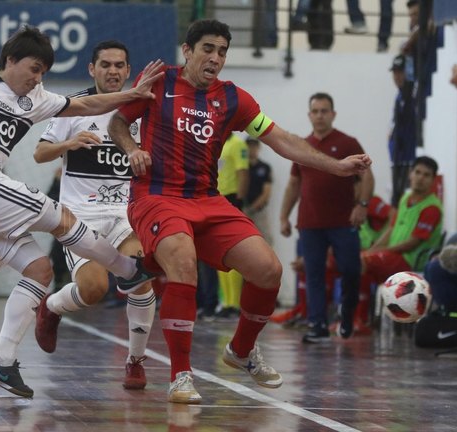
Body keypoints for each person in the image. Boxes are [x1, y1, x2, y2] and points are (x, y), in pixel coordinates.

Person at [107, 19, 371, 404]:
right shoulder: (160, 82)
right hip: (157, 196)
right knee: (182, 259)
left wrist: (337, 166)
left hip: (208, 200)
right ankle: (181, 375)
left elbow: (280, 139)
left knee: (269, 270)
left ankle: (241, 350)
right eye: (208, 49)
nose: (215, 57)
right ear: (188, 51)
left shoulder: (233, 99)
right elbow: (117, 122)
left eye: (222, 51)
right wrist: (132, 148)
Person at [0, 27, 163, 398]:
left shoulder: (36, 98)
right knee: (60, 216)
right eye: (33, 68)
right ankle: (129, 270)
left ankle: (1, 361)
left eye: (43, 72)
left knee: (39, 271)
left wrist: (133, 95)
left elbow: (86, 105)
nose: (37, 78)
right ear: (9, 60)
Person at [33, 40, 156, 390]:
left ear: (128, 71)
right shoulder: (75, 107)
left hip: (125, 214)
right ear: (92, 69)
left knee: (140, 277)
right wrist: (67, 145)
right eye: (105, 65)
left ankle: (135, 361)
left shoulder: (140, 110)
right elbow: (40, 154)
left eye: (119, 65)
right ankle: (53, 307)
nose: (113, 71)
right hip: (81, 216)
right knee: (93, 289)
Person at [280, 92, 374, 344]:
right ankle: (318, 325)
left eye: (324, 111)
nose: (320, 115)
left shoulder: (348, 143)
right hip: (310, 223)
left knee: (351, 270)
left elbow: (366, 176)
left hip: (344, 222)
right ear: (309, 115)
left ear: (333, 114)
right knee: (313, 274)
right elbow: (293, 184)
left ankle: (346, 315)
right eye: (315, 111)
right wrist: (283, 217)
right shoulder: (302, 146)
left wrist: (362, 205)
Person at [361, 156, 443, 296]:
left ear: (433, 180)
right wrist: (373, 250)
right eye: (417, 172)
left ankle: (360, 317)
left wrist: (382, 250)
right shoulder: (405, 198)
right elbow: (391, 229)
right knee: (358, 260)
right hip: (393, 255)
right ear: (410, 173)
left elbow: (413, 243)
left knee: (360, 262)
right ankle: (366, 314)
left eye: (426, 175)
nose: (420, 178)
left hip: (409, 260)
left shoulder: (432, 208)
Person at [215, 133, 249, 319]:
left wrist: (239, 202)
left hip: (232, 199)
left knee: (234, 253)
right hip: (216, 199)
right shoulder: (218, 142)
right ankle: (226, 302)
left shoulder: (237, 144)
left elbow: (242, 172)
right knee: (219, 254)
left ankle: (235, 303)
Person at [388, 54, 417, 208]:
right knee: (396, 203)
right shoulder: (400, 96)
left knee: (404, 203)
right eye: (395, 72)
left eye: (401, 72)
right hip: (397, 159)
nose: (397, 76)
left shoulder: (411, 94)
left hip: (408, 160)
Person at [245, 137, 273, 245]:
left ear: (258, 147)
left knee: (266, 240)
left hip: (259, 211)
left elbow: (267, 192)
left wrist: (252, 208)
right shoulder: (241, 167)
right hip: (242, 210)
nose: (251, 149)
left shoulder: (265, 167)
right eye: (249, 146)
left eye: (253, 146)